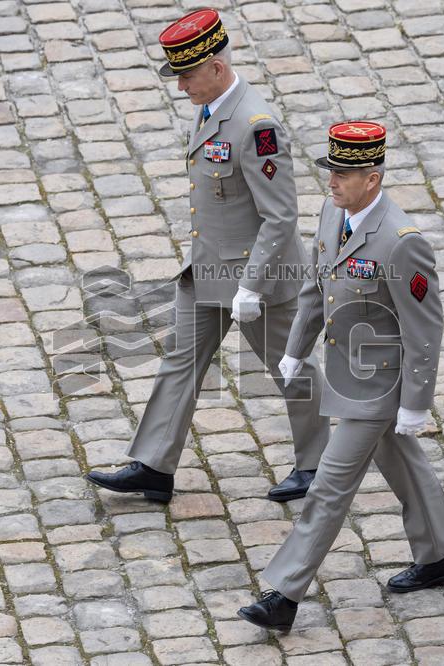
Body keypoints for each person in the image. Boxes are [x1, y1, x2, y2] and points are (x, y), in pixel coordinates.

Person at [86, 9, 329, 503]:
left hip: (259, 278)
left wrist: (251, 287)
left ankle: (322, 464)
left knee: (292, 368)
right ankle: (153, 466)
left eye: (187, 76)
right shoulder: (210, 107)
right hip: (208, 272)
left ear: (216, 66)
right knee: (181, 361)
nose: (181, 88)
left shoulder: (257, 127)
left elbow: (279, 218)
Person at [237, 122, 444, 632]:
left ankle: (284, 594)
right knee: (402, 463)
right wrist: (296, 351)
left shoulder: (402, 242)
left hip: (380, 384)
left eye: (345, 173)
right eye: (332, 171)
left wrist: (415, 403)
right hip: (346, 373)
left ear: (374, 178)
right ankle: (441, 554)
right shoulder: (331, 213)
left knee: (328, 488)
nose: (333, 181)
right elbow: (317, 289)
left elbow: (424, 328)